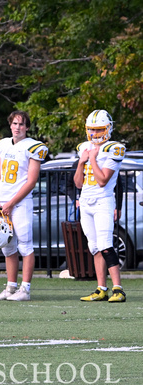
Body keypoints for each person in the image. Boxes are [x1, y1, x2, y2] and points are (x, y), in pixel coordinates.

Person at [0, 111, 48, 301]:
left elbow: (31, 181)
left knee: (25, 245)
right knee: (7, 246)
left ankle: (25, 289)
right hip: (2, 202)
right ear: (10, 125)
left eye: (21, 124)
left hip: (20, 202)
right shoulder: (3, 144)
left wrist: (12, 203)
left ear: (27, 127)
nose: (17, 127)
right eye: (15, 123)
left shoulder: (33, 147)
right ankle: (10, 287)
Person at [75, 110, 126, 302]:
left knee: (105, 245)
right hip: (86, 202)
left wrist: (93, 159)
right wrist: (81, 163)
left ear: (108, 129)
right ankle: (101, 288)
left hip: (103, 201)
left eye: (99, 129)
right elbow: (78, 183)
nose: (95, 134)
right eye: (92, 130)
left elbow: (103, 180)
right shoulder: (85, 148)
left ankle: (118, 289)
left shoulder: (113, 148)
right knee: (94, 247)